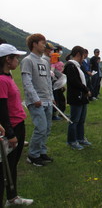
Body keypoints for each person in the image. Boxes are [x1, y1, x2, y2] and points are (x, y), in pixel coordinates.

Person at [0, 44, 34, 206]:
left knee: (12, 165)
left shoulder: (8, 77)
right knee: (5, 167)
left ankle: (12, 197)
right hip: (11, 128)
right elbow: (2, 110)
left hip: (18, 124)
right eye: (16, 57)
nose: (18, 60)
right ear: (7, 59)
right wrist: (10, 134)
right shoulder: (1, 80)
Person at [21, 33, 54, 167]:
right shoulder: (27, 60)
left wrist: (51, 97)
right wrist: (35, 98)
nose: (44, 45)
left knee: (47, 128)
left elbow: (48, 81)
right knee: (40, 128)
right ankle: (33, 155)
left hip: (47, 100)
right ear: (34, 44)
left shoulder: (45, 61)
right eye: (42, 43)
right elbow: (27, 81)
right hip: (36, 101)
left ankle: (41, 151)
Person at [63, 46, 92, 150]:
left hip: (81, 97)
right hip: (76, 97)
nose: (84, 58)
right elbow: (75, 82)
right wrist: (86, 89)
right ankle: (72, 141)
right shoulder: (71, 66)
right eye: (83, 56)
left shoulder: (77, 66)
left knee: (81, 120)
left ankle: (80, 138)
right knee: (74, 120)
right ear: (78, 55)